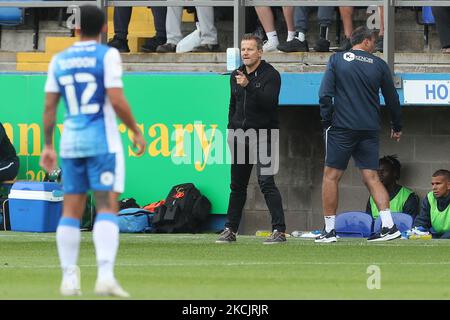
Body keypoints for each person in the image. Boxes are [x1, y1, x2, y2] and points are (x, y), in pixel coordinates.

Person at [40, 5, 146, 297]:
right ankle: (105, 275)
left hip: (71, 143)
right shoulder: (107, 55)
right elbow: (116, 98)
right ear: (103, 29)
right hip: (102, 143)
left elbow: (50, 107)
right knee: (106, 207)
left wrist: (48, 144)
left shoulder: (59, 60)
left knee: (71, 211)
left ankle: (69, 277)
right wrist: (135, 130)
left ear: (75, 28)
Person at [316, 26, 402, 243]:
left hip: (342, 128)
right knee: (371, 177)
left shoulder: (337, 60)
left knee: (331, 176)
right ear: (365, 42)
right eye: (374, 42)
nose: (375, 46)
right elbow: (392, 99)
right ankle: (389, 226)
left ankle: (329, 231)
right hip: (369, 129)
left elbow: (325, 94)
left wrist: (327, 120)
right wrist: (396, 125)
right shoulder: (380, 65)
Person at [216, 34, 286, 244]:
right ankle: (230, 229)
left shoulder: (271, 75)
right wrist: (231, 129)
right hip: (239, 136)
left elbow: (269, 103)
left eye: (250, 49)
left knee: (266, 182)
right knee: (237, 185)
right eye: (243, 49)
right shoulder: (235, 74)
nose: (245, 53)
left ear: (260, 52)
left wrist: (249, 85)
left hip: (264, 134)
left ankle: (279, 230)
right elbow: (233, 104)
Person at [366, 155, 419, 219]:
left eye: (383, 171)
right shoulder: (373, 196)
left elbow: (410, 224)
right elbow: (368, 222)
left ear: (395, 173)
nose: (379, 175)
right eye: (377, 171)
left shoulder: (408, 197)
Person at [413, 170, 450, 239]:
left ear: (448, 185)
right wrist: (418, 231)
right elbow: (422, 220)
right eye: (432, 184)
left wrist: (440, 240)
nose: (434, 188)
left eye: (438, 184)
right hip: (436, 236)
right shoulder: (430, 197)